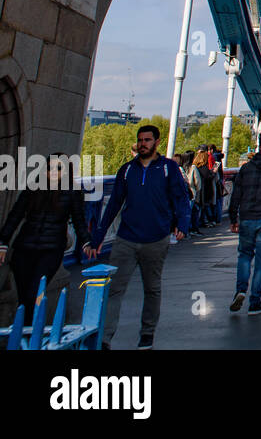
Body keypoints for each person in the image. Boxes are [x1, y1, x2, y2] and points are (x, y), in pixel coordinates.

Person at [90, 125, 190, 349]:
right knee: (114, 288)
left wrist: (182, 224)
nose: (143, 143)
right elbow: (113, 204)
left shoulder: (168, 168)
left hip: (156, 238)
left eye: (147, 140)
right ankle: (105, 338)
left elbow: (181, 199)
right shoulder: (127, 170)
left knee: (152, 288)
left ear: (157, 142)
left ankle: (147, 333)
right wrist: (98, 236)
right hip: (125, 238)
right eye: (140, 140)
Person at [0, 154, 93, 320]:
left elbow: (79, 221)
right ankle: (25, 336)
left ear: (66, 171)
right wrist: (3, 243)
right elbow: (15, 216)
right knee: (23, 298)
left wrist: (86, 241)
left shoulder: (72, 192)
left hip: (50, 251)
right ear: (44, 171)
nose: (54, 171)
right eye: (50, 167)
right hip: (24, 248)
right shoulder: (33, 188)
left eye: (59, 167)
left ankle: (29, 335)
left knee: (35, 291)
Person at [227, 131, 261, 315]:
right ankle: (255, 301)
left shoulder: (246, 168)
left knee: (244, 256)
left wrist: (234, 218)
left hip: (247, 216)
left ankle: (240, 290)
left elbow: (236, 195)